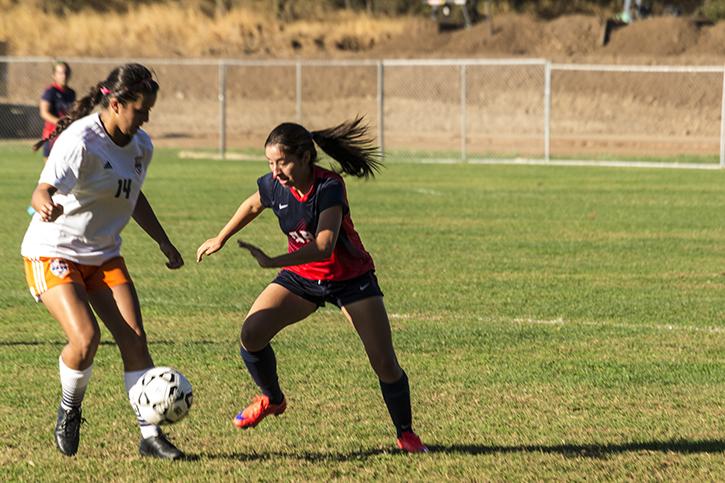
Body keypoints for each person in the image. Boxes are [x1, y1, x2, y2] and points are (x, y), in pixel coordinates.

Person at [196, 117, 428, 453]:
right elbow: (252, 204)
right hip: (303, 277)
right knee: (252, 334)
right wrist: (221, 237)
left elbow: (324, 245)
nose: (275, 170)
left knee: (384, 362)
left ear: (305, 157)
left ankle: (405, 432)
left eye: (283, 162)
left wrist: (273, 261)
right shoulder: (275, 185)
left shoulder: (328, 186)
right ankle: (272, 399)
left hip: (350, 280)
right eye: (270, 163)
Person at [22, 63, 186, 459]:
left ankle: (150, 436)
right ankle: (69, 408)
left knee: (134, 340)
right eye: (141, 108)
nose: (146, 116)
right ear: (115, 103)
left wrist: (164, 242)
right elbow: (41, 191)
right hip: (54, 250)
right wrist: (44, 206)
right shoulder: (81, 141)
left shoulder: (142, 145)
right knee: (86, 338)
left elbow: (131, 196)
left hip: (105, 254)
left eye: (149, 109)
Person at [37, 61, 76, 161]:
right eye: (60, 73)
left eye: (66, 72)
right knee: (50, 172)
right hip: (52, 135)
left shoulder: (71, 93)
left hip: (67, 135)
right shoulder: (50, 92)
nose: (64, 76)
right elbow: (44, 112)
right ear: (54, 75)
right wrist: (60, 122)